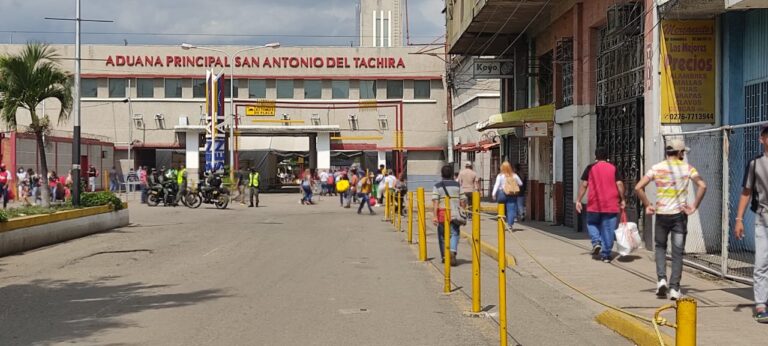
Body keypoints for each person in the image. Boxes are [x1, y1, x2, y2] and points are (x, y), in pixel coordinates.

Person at [635, 139, 707, 301]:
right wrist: (694, 205)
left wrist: (648, 204)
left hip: (661, 215)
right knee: (677, 252)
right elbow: (702, 185)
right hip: (679, 217)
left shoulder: (656, 168)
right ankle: (675, 288)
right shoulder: (688, 169)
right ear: (680, 153)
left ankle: (661, 279)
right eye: (683, 152)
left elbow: (638, 187)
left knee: (660, 247)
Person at [734, 124, 768, 324]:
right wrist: (739, 219)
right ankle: (761, 305)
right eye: (767, 135)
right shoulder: (755, 164)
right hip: (763, 219)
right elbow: (746, 192)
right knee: (762, 263)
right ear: (761, 139)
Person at [575, 147, 626, 262]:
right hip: (611, 204)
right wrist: (622, 199)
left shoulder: (590, 168)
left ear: (595, 157)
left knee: (591, 223)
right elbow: (620, 184)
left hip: (594, 203)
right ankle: (606, 255)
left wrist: (578, 200)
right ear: (607, 157)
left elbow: (584, 185)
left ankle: (596, 242)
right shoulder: (613, 168)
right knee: (608, 229)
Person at [433, 165, 465, 266]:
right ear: (451, 174)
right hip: (455, 213)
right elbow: (463, 200)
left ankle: (444, 256)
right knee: (454, 233)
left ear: (442, 174)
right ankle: (452, 251)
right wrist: (463, 210)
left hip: (442, 213)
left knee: (442, 236)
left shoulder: (437, 186)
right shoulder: (457, 185)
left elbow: (435, 203)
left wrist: (434, 216)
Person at [492, 162, 524, 228]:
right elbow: (520, 183)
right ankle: (510, 225)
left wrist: (493, 194)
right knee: (511, 210)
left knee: (501, 209)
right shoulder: (514, 175)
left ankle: (501, 223)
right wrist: (514, 185)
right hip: (512, 194)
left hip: (502, 194)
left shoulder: (500, 176)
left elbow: (497, 185)